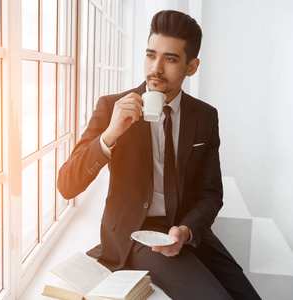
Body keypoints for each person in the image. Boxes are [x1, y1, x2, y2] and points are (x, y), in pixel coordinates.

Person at [57, 10, 261, 300]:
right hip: (136, 233)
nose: (156, 68)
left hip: (186, 228)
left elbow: (211, 192)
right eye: (151, 55)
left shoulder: (204, 116)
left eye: (170, 59)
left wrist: (188, 231)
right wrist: (110, 135)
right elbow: (67, 185)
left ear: (192, 66)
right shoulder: (112, 106)